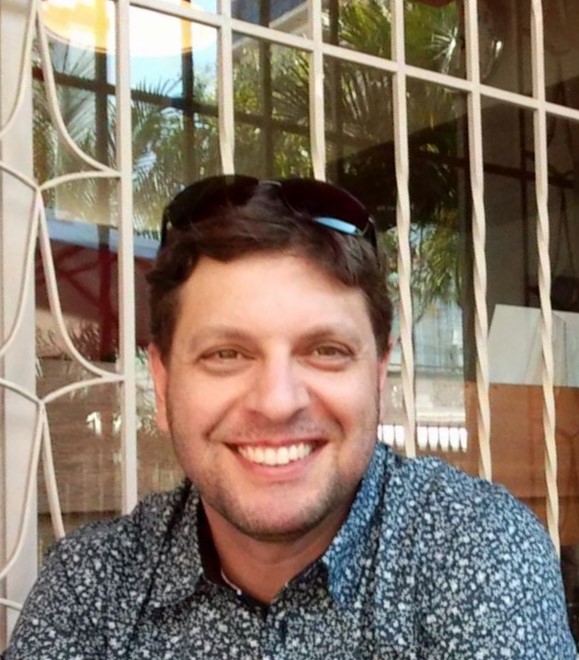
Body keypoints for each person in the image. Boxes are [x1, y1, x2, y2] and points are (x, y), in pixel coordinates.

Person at [3, 175, 576, 659]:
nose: (277, 402)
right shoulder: (92, 586)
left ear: (379, 374)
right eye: (226, 354)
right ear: (163, 380)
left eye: (325, 350)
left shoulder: (471, 550)